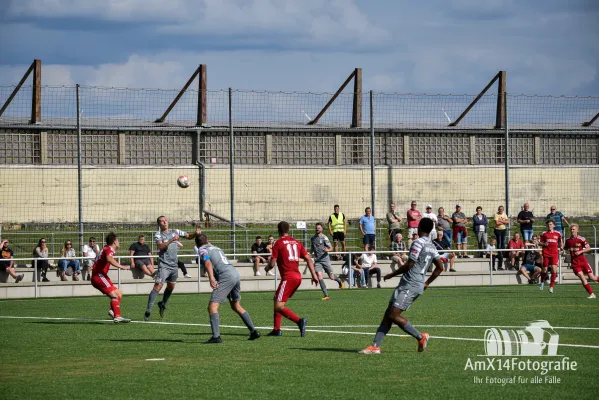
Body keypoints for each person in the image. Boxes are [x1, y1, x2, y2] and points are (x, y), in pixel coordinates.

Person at [359, 218, 443, 355]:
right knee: (388, 314)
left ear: (419, 228)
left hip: (411, 284)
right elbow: (440, 267)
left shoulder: (418, 243)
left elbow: (409, 264)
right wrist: (427, 283)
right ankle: (375, 346)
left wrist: (391, 275)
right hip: (411, 283)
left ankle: (421, 337)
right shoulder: (432, 246)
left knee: (393, 314)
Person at [196, 234, 260, 343]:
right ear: (207, 241)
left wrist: (211, 278)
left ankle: (216, 337)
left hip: (225, 276)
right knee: (236, 305)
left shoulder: (202, 250)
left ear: (197, 244)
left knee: (212, 306)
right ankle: (253, 331)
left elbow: (207, 262)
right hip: (234, 273)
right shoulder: (217, 248)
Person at [264, 221, 319, 337]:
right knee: (277, 298)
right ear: (288, 230)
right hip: (298, 277)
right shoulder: (297, 242)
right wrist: (314, 275)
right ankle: (276, 329)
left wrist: (266, 268)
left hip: (288, 278)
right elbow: (309, 259)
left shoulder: (278, 243)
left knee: (279, 306)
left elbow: (272, 264)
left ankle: (299, 321)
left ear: (278, 231)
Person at [144, 216, 201, 321]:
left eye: (165, 220)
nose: (164, 222)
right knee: (158, 286)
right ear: (159, 224)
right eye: (162, 221)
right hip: (164, 265)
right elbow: (161, 246)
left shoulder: (175, 231)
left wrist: (195, 234)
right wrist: (171, 240)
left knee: (171, 287)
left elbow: (188, 236)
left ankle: (162, 303)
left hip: (174, 265)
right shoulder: (158, 234)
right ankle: (148, 312)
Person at [90, 232, 131, 323]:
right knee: (115, 295)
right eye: (117, 240)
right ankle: (117, 316)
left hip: (101, 275)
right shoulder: (109, 249)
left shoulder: (106, 248)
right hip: (98, 275)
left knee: (118, 293)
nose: (118, 242)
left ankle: (113, 311)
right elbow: (109, 259)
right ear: (114, 242)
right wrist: (121, 266)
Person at [564, 224, 599, 299]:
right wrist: (562, 249)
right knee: (581, 276)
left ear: (577, 230)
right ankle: (592, 294)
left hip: (583, 261)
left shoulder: (581, 239)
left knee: (592, 277)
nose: (572, 231)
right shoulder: (568, 240)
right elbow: (565, 248)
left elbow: (588, 248)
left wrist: (580, 252)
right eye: (571, 229)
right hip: (575, 263)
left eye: (574, 229)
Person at [310, 223, 343, 300]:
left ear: (322, 229)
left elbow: (331, 248)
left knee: (331, 277)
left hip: (325, 260)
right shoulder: (312, 238)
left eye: (319, 228)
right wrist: (310, 253)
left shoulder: (325, 238)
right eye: (316, 228)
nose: (317, 229)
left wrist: (327, 250)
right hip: (317, 261)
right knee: (319, 276)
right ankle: (326, 295)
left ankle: (339, 281)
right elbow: (312, 247)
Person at [539, 219, 562, 293]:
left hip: (554, 254)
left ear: (554, 225)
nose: (549, 226)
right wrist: (543, 244)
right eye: (548, 224)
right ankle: (542, 282)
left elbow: (561, 242)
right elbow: (539, 243)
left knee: (554, 269)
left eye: (551, 224)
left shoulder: (558, 233)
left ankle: (551, 287)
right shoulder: (544, 233)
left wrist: (562, 248)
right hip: (546, 253)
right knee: (545, 269)